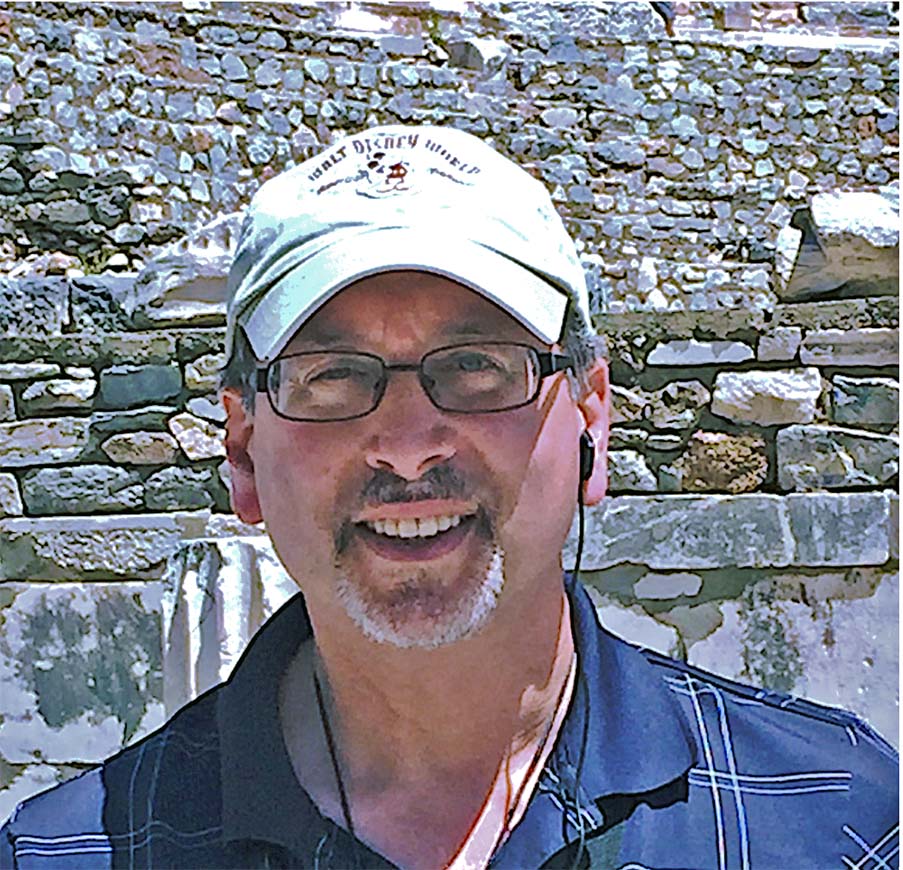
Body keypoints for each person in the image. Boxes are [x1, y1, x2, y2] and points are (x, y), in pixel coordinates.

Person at [1, 124, 897, 869]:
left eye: (476, 366)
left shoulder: (834, 827)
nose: (406, 444)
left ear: (590, 418)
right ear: (242, 451)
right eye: (331, 374)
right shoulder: (67, 855)